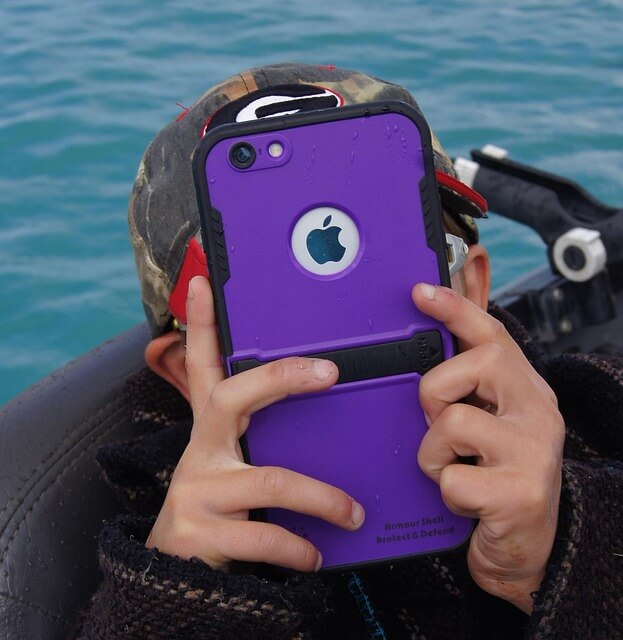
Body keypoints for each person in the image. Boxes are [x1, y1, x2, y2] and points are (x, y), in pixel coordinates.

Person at [72, 64, 622, 639]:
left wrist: (555, 557)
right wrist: (182, 598)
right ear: (183, 371)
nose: (342, 331)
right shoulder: (148, 542)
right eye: (263, 299)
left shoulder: (603, 415)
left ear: (474, 289)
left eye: (403, 248)